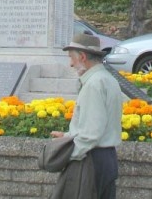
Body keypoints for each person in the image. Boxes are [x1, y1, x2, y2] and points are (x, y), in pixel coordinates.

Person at [49, 31, 124, 199]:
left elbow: (91, 134)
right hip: (106, 158)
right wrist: (68, 136)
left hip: (91, 160)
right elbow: (98, 125)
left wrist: (66, 154)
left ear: (82, 57)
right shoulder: (107, 79)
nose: (70, 64)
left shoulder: (94, 84)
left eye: (71, 58)